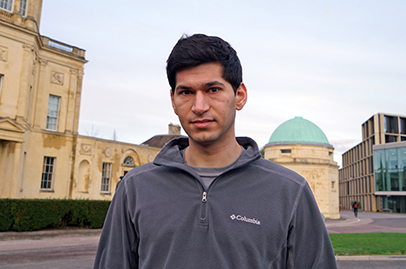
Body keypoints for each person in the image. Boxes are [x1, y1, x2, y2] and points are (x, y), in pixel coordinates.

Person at [94, 34, 337, 269]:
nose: (199, 107)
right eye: (186, 92)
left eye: (213, 90)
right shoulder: (135, 188)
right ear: (173, 100)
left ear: (239, 96)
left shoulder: (289, 191)